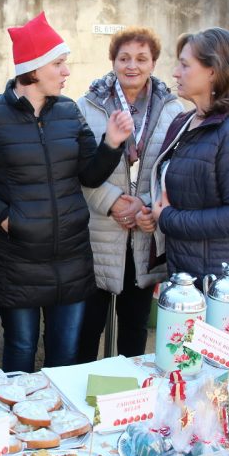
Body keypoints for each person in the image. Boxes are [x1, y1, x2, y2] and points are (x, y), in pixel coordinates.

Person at [0, 12, 134, 373]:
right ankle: (19, 408)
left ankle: (58, 411)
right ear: (33, 68)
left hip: (70, 258)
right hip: (17, 260)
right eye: (58, 63)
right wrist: (4, 218)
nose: (66, 72)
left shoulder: (68, 111)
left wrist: (111, 143)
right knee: (21, 348)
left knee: (65, 353)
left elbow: (90, 175)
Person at [75, 27, 183, 362]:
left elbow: (174, 170)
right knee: (87, 328)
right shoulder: (87, 106)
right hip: (98, 230)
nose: (132, 66)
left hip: (145, 230)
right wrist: (113, 202)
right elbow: (76, 169)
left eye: (141, 58)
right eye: (124, 58)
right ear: (113, 61)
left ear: (154, 63)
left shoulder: (172, 110)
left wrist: (146, 206)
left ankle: (130, 391)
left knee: (135, 330)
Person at [150, 27, 229, 298]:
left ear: (213, 71)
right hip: (190, 276)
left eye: (184, 65)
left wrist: (168, 219)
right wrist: (151, 210)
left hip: (227, 290)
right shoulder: (184, 122)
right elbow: (185, 192)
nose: (175, 73)